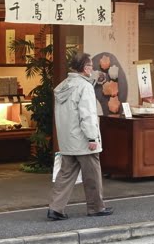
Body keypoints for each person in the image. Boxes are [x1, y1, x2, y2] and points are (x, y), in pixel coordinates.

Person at [47, 51, 113, 220]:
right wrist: (92, 137)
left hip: (68, 140)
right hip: (84, 140)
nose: (92, 68)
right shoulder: (84, 87)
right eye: (91, 65)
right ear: (85, 68)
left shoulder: (63, 86)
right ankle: (96, 207)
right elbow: (88, 114)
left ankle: (55, 208)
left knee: (65, 174)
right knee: (93, 175)